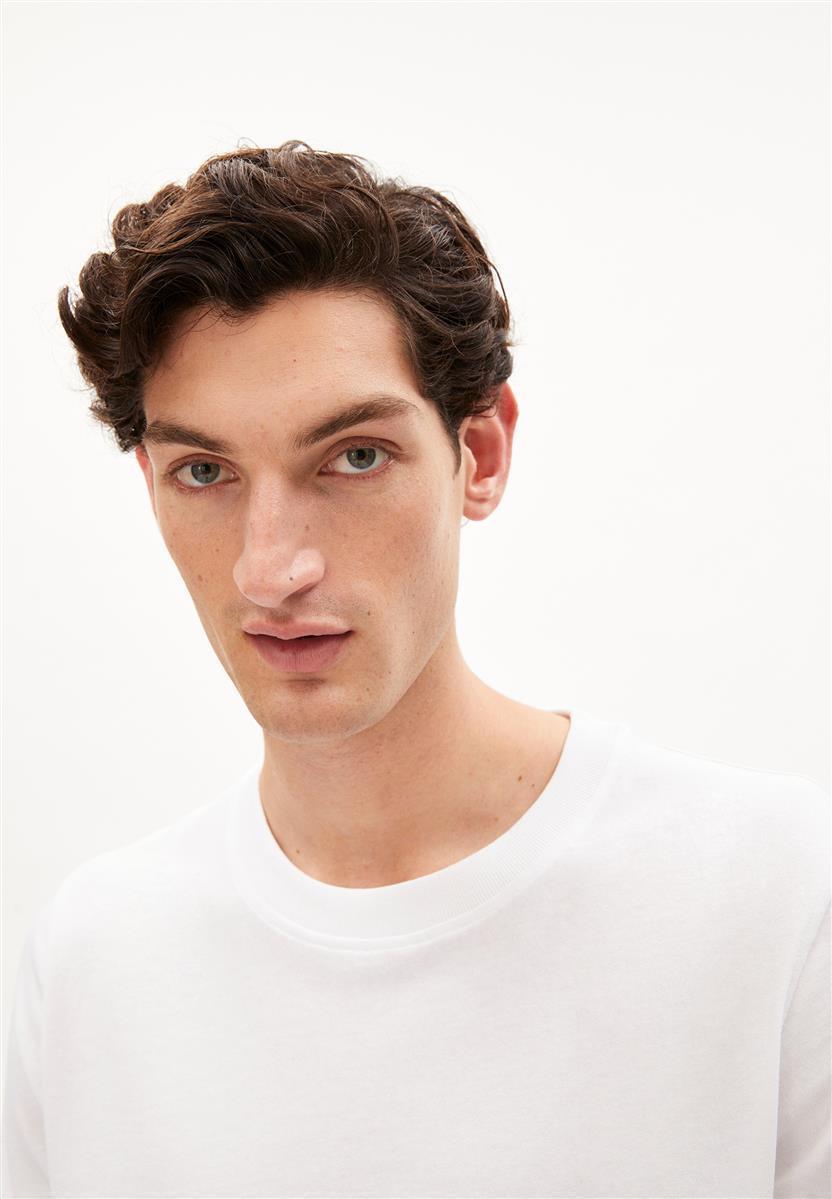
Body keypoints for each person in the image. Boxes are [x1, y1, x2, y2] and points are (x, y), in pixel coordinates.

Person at [2, 141, 829, 1199]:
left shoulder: (775, 897)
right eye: (204, 472)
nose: (270, 569)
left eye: (354, 456)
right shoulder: (93, 960)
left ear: (480, 454)